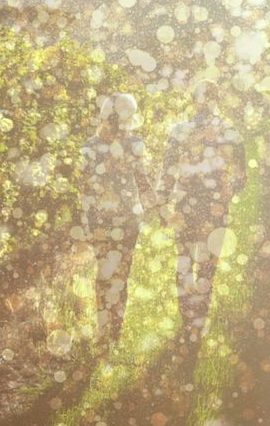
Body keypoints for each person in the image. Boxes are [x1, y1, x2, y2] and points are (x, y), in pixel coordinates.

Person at [157, 80, 247, 351]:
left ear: (194, 100)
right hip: (215, 207)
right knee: (207, 264)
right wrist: (226, 192)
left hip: (186, 205)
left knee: (184, 260)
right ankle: (198, 323)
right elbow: (242, 177)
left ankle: (187, 321)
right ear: (216, 99)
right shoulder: (230, 132)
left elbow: (167, 173)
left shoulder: (180, 132)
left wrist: (163, 203)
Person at [79, 93, 156, 351]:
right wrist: (157, 206)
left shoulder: (90, 147)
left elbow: (83, 188)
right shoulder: (133, 145)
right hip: (125, 220)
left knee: (105, 276)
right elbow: (142, 182)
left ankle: (106, 333)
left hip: (104, 220)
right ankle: (112, 334)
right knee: (119, 277)